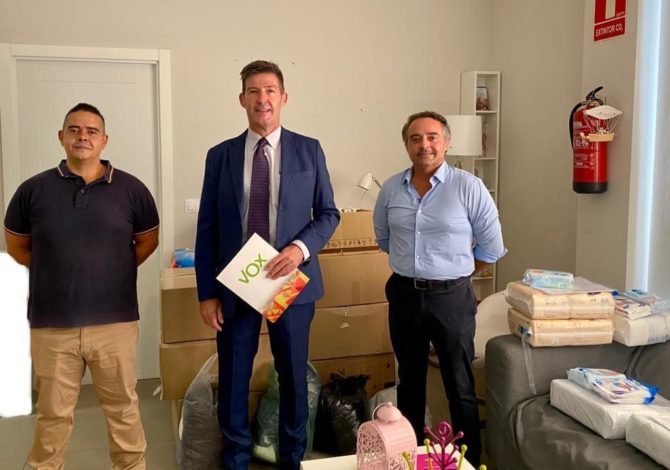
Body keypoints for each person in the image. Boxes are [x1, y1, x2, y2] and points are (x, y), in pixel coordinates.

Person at [195, 60, 339, 470]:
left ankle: (293, 459)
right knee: (234, 377)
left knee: (292, 377)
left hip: (289, 280)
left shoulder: (308, 150)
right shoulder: (220, 156)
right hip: (236, 283)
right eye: (254, 91)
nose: (263, 99)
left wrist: (299, 249)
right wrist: (206, 293)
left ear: (284, 97)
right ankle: (236, 459)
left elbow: (328, 214)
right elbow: (207, 227)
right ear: (242, 99)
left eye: (270, 90)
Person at [4, 102, 159, 469]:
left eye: (92, 131)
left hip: (115, 323)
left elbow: (146, 243)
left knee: (123, 410)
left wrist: (109, 269)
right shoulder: (32, 190)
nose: (83, 136)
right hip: (52, 325)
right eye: (74, 130)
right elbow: (18, 247)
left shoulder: (132, 190)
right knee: (52, 416)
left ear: (104, 140)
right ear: (61, 137)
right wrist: (56, 270)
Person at [373, 111, 506, 467]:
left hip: (452, 298)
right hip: (404, 295)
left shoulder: (468, 186)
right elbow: (384, 239)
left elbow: (492, 247)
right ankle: (410, 458)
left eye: (432, 137)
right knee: (409, 383)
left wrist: (455, 271)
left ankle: (468, 461)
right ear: (406, 144)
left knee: (459, 385)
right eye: (416, 138)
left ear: (446, 142)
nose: (424, 145)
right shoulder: (391, 189)